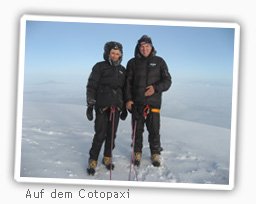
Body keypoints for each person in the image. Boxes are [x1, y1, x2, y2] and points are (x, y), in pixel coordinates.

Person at [125, 35, 172, 167]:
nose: (144, 49)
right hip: (137, 103)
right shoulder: (132, 63)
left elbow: (168, 81)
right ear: (138, 48)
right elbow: (127, 84)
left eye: (147, 46)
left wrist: (156, 88)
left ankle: (155, 153)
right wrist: (128, 99)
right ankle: (137, 152)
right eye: (142, 46)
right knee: (137, 131)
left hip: (154, 103)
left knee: (154, 131)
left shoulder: (159, 61)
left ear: (151, 47)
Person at [86, 41, 127, 175]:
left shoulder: (122, 70)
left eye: (117, 53)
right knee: (100, 134)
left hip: (116, 107)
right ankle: (93, 159)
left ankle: (107, 157)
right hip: (102, 107)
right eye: (113, 53)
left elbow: (125, 89)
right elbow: (91, 86)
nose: (115, 56)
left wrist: (124, 107)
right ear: (107, 53)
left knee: (111, 135)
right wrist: (90, 104)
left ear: (120, 55)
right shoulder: (99, 67)